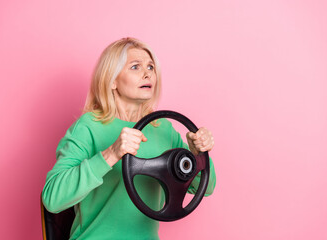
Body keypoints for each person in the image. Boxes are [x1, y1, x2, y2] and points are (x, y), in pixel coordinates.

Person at [42, 37, 216, 240]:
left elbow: (205, 188)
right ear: (112, 80)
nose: (147, 73)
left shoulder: (163, 128)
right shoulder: (88, 127)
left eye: (151, 67)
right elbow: (52, 199)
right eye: (135, 67)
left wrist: (198, 154)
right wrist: (110, 154)